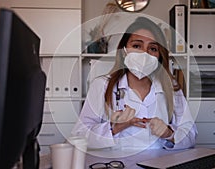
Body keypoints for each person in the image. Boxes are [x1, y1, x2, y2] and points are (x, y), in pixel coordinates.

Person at [71, 17, 197, 150]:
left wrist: (169, 133)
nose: (144, 54)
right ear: (124, 51)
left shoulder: (171, 88)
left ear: (159, 55)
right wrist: (113, 128)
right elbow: (79, 136)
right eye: (137, 46)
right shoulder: (102, 86)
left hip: (159, 163)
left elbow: (191, 135)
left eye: (153, 48)